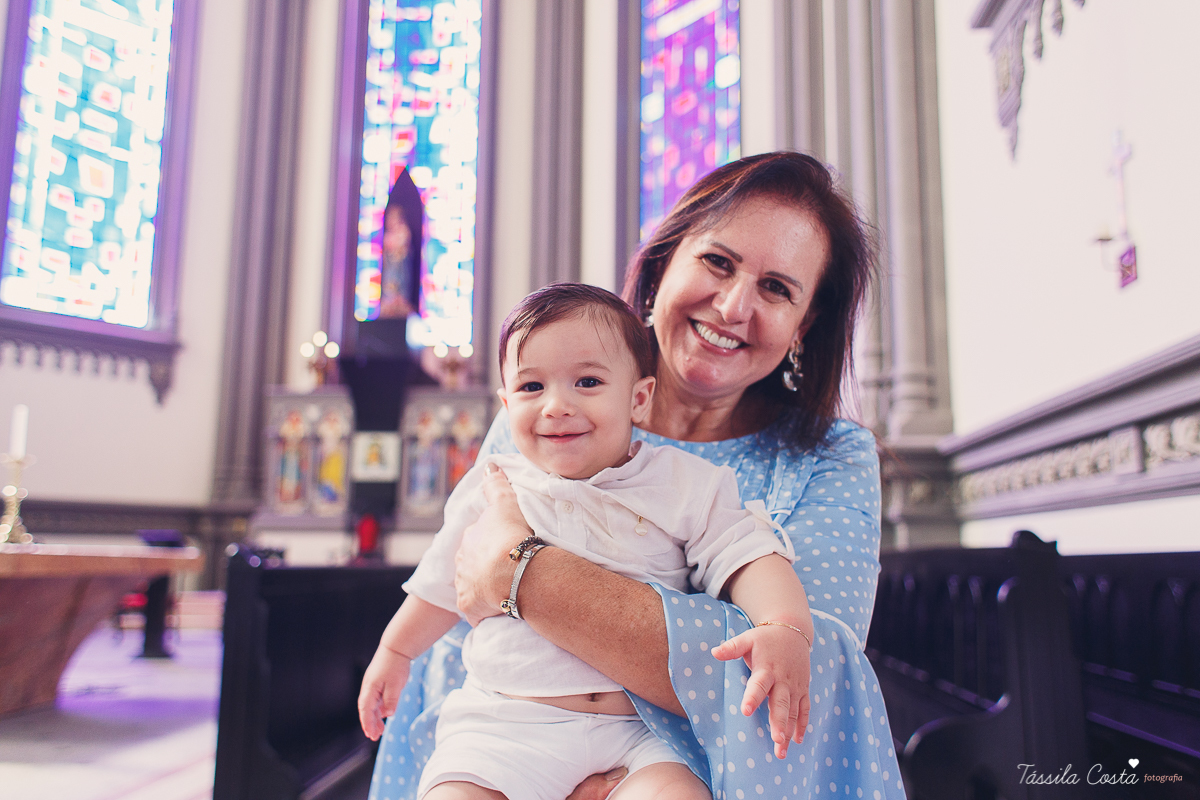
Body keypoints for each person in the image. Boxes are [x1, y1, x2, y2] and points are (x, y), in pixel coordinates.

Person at [368, 151, 906, 800]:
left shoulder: (820, 458)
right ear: (665, 258)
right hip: (498, 736)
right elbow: (453, 616)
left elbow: (805, 668)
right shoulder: (550, 417)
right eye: (718, 261)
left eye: (777, 288)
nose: (735, 305)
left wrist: (519, 568)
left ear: (804, 323)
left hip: (675, 768)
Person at [360, 283, 816, 799]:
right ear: (506, 404)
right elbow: (439, 583)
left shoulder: (685, 484)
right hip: (504, 724)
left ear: (638, 398)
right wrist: (395, 651)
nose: (556, 405)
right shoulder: (495, 486)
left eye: (587, 381)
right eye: (532, 388)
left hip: (640, 730)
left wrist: (785, 627)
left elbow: (748, 554)